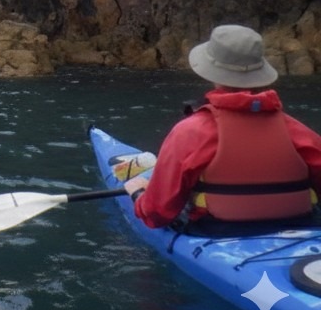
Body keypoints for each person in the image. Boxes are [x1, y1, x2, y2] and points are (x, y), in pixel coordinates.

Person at [126, 24, 321, 229]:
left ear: (212, 74)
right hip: (301, 228)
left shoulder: (190, 133)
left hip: (216, 232)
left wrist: (138, 194)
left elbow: (156, 214)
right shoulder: (298, 132)